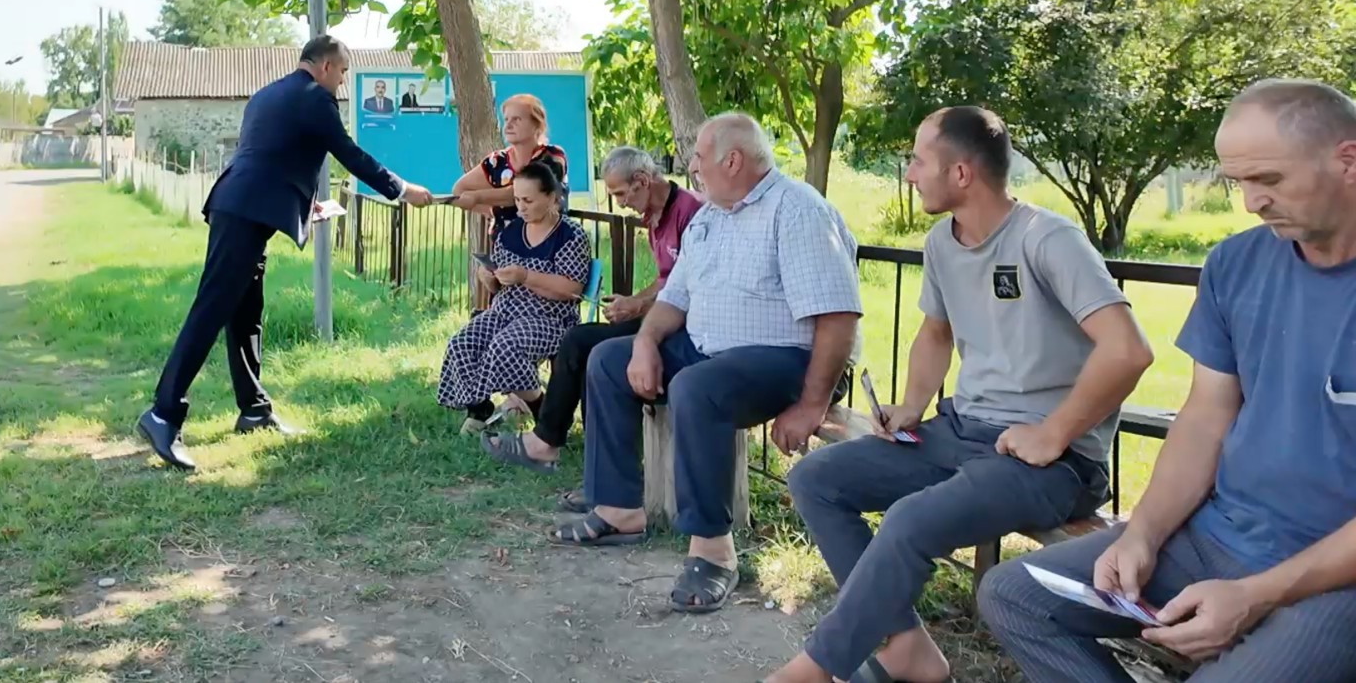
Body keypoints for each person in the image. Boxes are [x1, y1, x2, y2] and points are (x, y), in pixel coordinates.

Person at [979, 79, 1356, 683]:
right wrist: (1143, 535)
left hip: (1334, 576)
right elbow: (1205, 417)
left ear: (1348, 160)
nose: (1251, 203)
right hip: (1219, 534)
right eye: (1238, 182)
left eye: (1269, 179)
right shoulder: (1235, 264)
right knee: (1015, 595)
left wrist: (1256, 595)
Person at [765, 107, 1153, 683]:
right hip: (962, 430)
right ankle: (908, 649)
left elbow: (1128, 350)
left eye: (918, 161)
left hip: (1053, 461)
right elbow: (935, 332)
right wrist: (911, 405)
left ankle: (817, 669)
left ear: (962, 173)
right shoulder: (941, 244)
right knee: (816, 479)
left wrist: (1054, 432)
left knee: (909, 520)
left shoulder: (1048, 239)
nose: (908, 174)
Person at [549, 113, 862, 618]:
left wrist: (812, 404)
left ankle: (713, 550)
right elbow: (674, 298)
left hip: (789, 360)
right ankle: (619, 508)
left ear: (732, 160)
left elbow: (837, 316)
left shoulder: (797, 209)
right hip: (709, 350)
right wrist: (646, 341)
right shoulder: (711, 216)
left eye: (698, 157)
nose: (691, 167)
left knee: (697, 387)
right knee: (608, 358)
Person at [138, 36, 435, 471]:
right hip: (245, 213)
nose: (343, 81)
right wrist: (403, 190)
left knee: (245, 314)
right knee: (211, 310)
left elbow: (272, 156)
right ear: (326, 67)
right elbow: (350, 155)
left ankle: (254, 410)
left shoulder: (267, 94)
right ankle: (163, 414)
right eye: (343, 71)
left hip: (239, 205)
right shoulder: (316, 97)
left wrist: (301, 206)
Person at [480, 145, 702, 476]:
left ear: (642, 181)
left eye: (621, 193)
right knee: (580, 340)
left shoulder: (689, 212)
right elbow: (666, 279)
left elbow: (688, 284)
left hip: (686, 323)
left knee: (587, 346)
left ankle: (551, 443)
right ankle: (559, 444)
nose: (619, 203)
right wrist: (633, 302)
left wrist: (639, 305)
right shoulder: (654, 215)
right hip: (664, 314)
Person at [436, 161, 592, 431]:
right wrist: (490, 279)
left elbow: (572, 289)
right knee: (461, 343)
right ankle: (479, 408)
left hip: (550, 319)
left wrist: (526, 276)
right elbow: (499, 285)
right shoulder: (510, 232)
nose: (521, 207)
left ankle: (545, 415)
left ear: (551, 197)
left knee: (506, 347)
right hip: (504, 313)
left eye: (528, 200)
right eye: (517, 200)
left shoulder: (569, 235)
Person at [449, 93, 568, 232]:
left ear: (537, 125)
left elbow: (526, 191)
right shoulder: (496, 161)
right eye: (506, 119)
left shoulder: (552, 155)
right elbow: (459, 190)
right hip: (505, 242)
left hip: (550, 239)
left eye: (517, 119)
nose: (508, 125)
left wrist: (477, 197)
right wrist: (491, 211)